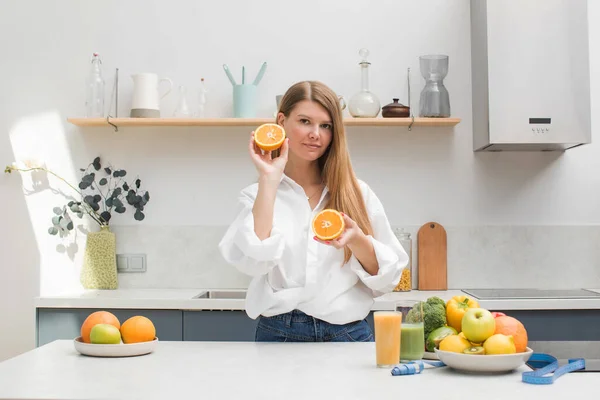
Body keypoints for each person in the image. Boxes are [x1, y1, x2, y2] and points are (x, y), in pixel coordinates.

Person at [219, 81, 408, 342]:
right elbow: (255, 261)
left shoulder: (356, 193)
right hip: (279, 332)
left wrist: (356, 239)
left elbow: (388, 277)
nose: (315, 134)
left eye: (325, 125)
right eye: (305, 121)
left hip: (348, 333)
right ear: (282, 121)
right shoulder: (258, 194)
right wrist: (269, 179)